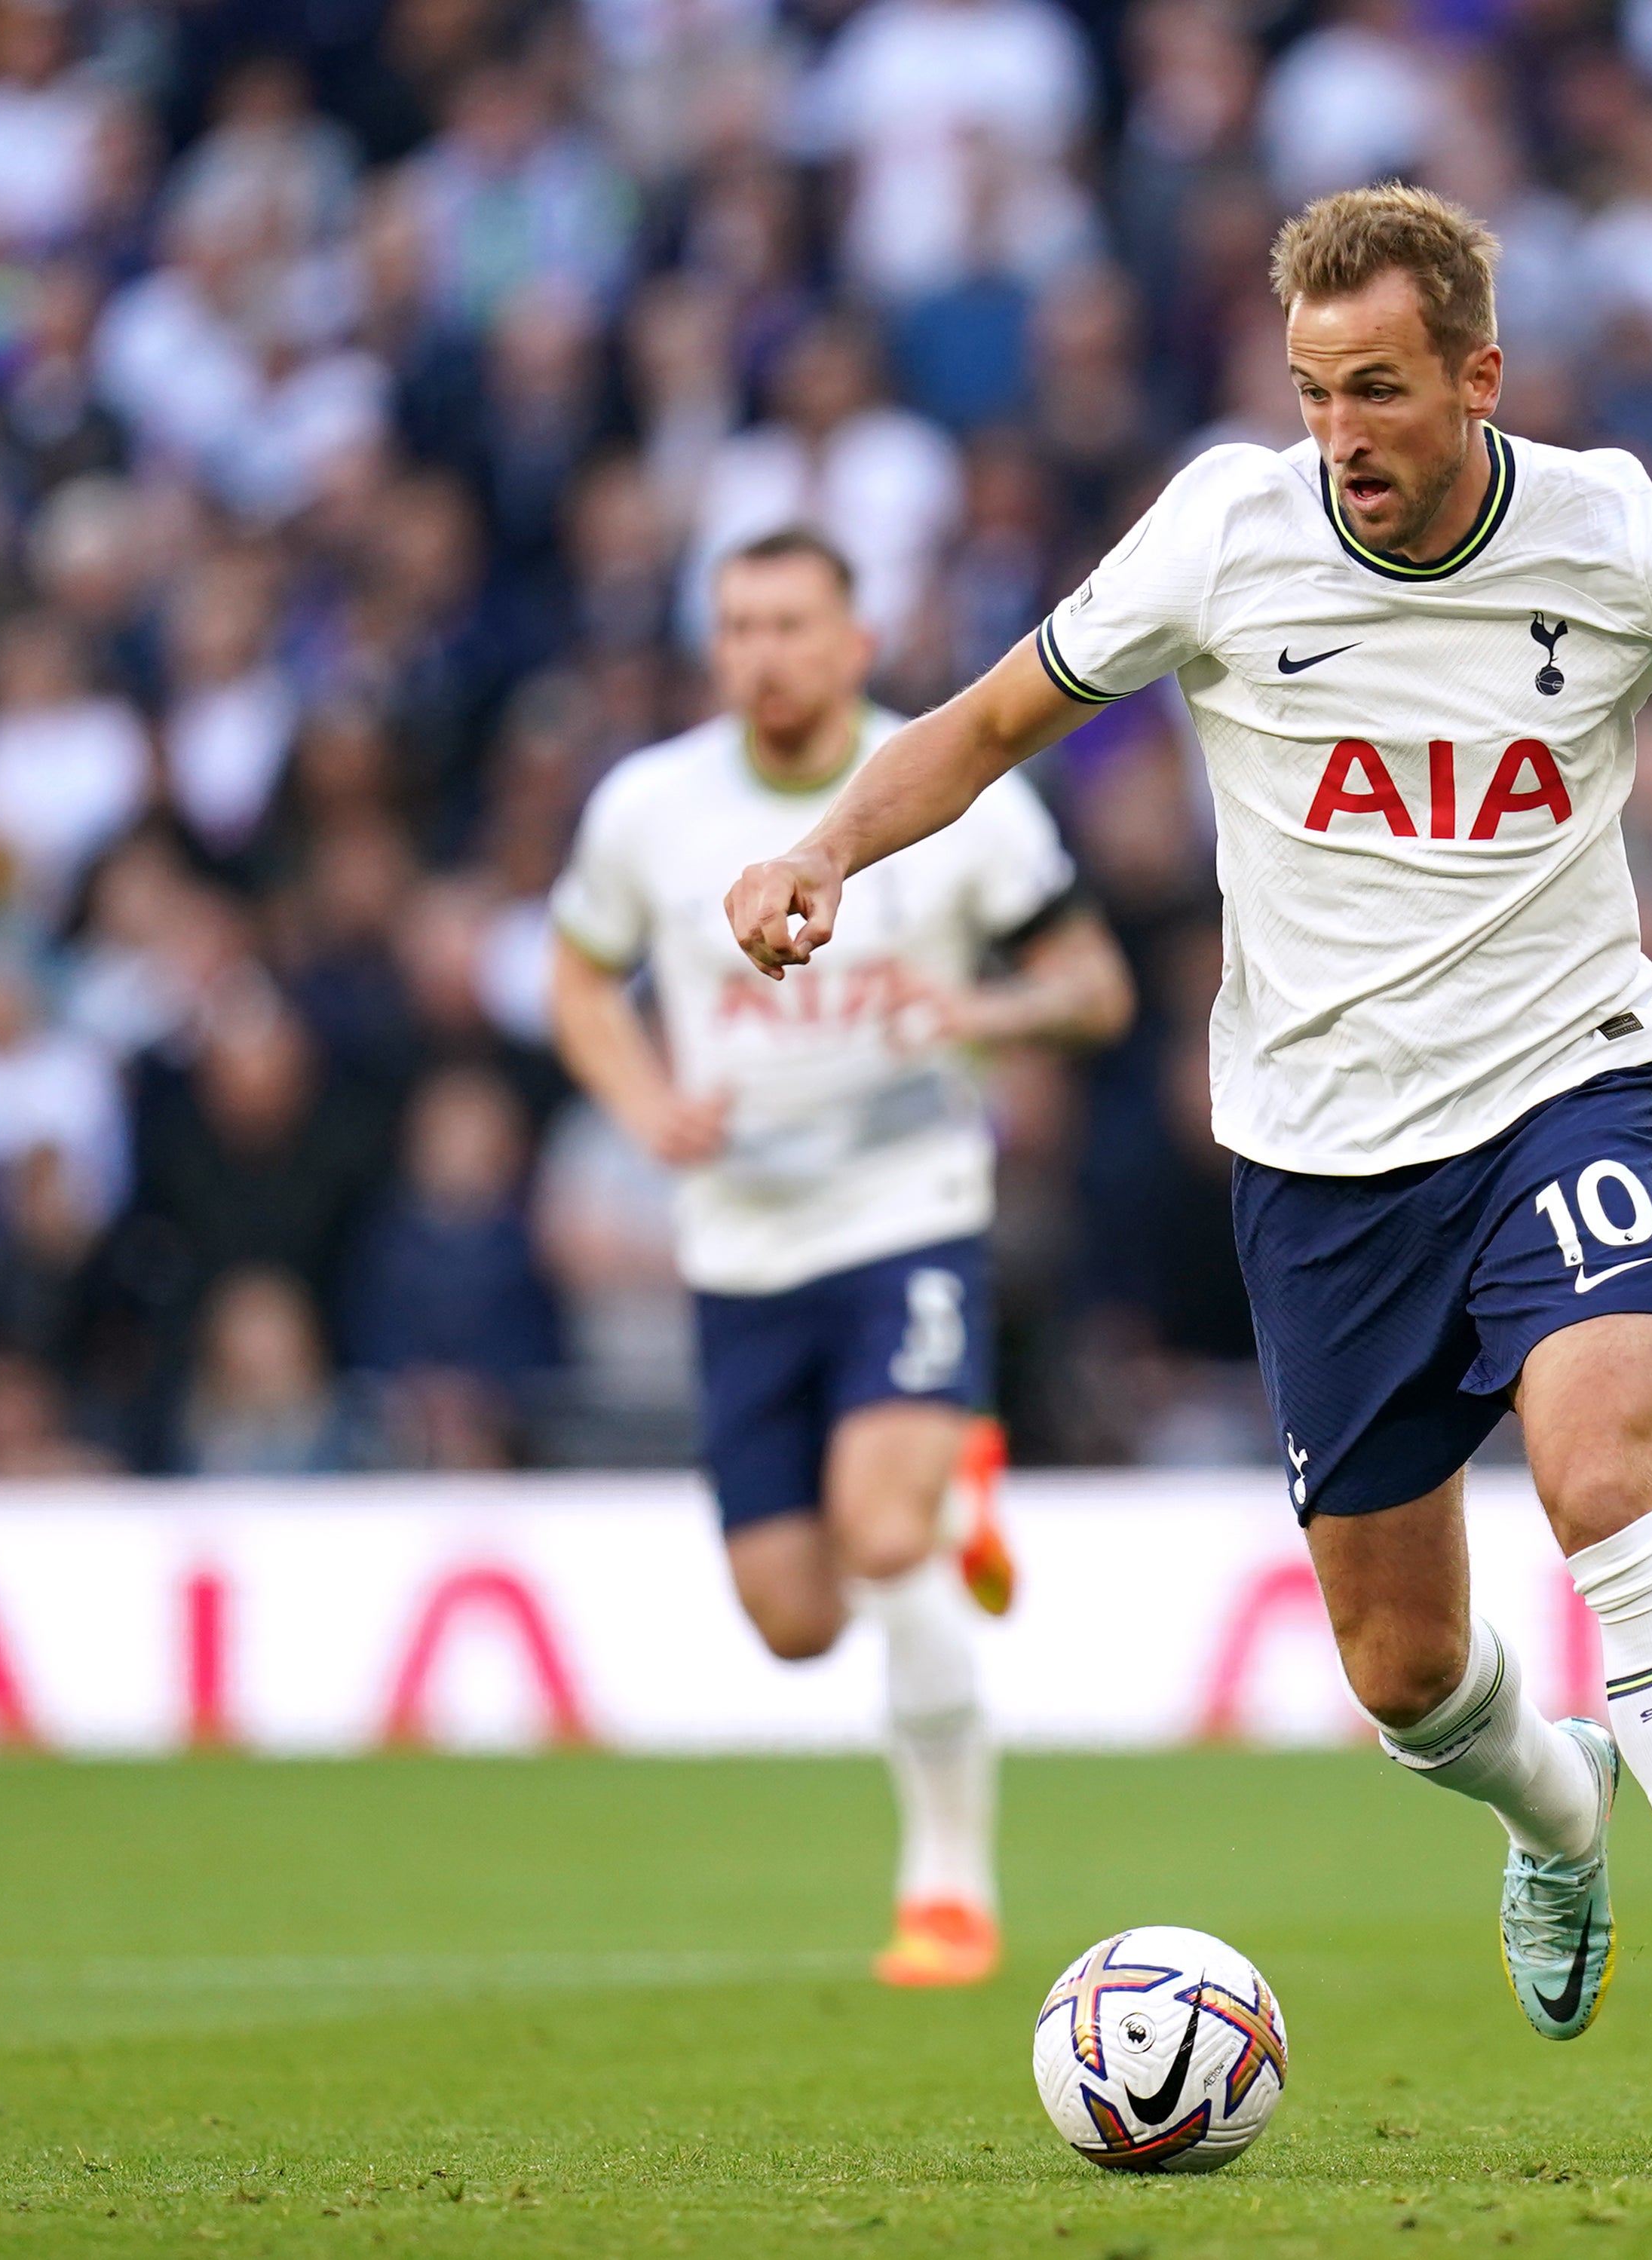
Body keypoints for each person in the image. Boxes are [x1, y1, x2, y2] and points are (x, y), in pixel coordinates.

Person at [723, 187, 1652, 2146]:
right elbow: (979, 725)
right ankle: (1557, 1803)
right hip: (1320, 1159)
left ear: (1480, 374)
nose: (1344, 435)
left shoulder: (1619, 533)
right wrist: (824, 853)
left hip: (1568, 1086)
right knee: (1403, 1665)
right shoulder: (1222, 534)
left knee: (1606, 1464)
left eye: (1380, 388)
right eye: (1315, 391)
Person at [550, 528, 1132, 1989]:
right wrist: (638, 1102)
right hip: (740, 1242)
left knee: (880, 1535)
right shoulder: (651, 808)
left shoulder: (945, 798)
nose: (764, 650)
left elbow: (1098, 990)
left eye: (793, 622)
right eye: (740, 623)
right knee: (796, 1618)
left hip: (907, 1210)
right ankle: (958, 1479)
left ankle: (947, 1886)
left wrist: (979, 1016)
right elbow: (576, 971)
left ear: (856, 643)